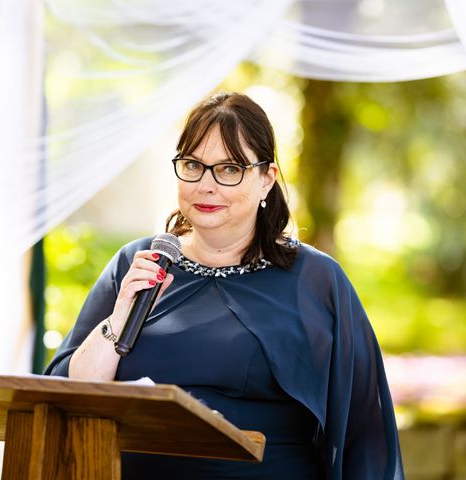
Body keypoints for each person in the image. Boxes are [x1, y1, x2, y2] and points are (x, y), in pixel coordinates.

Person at [45, 92, 404, 479]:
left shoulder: (315, 280)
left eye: (229, 169)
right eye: (193, 165)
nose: (206, 185)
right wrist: (118, 321)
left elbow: (365, 433)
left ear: (267, 179)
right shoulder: (138, 264)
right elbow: (67, 395)